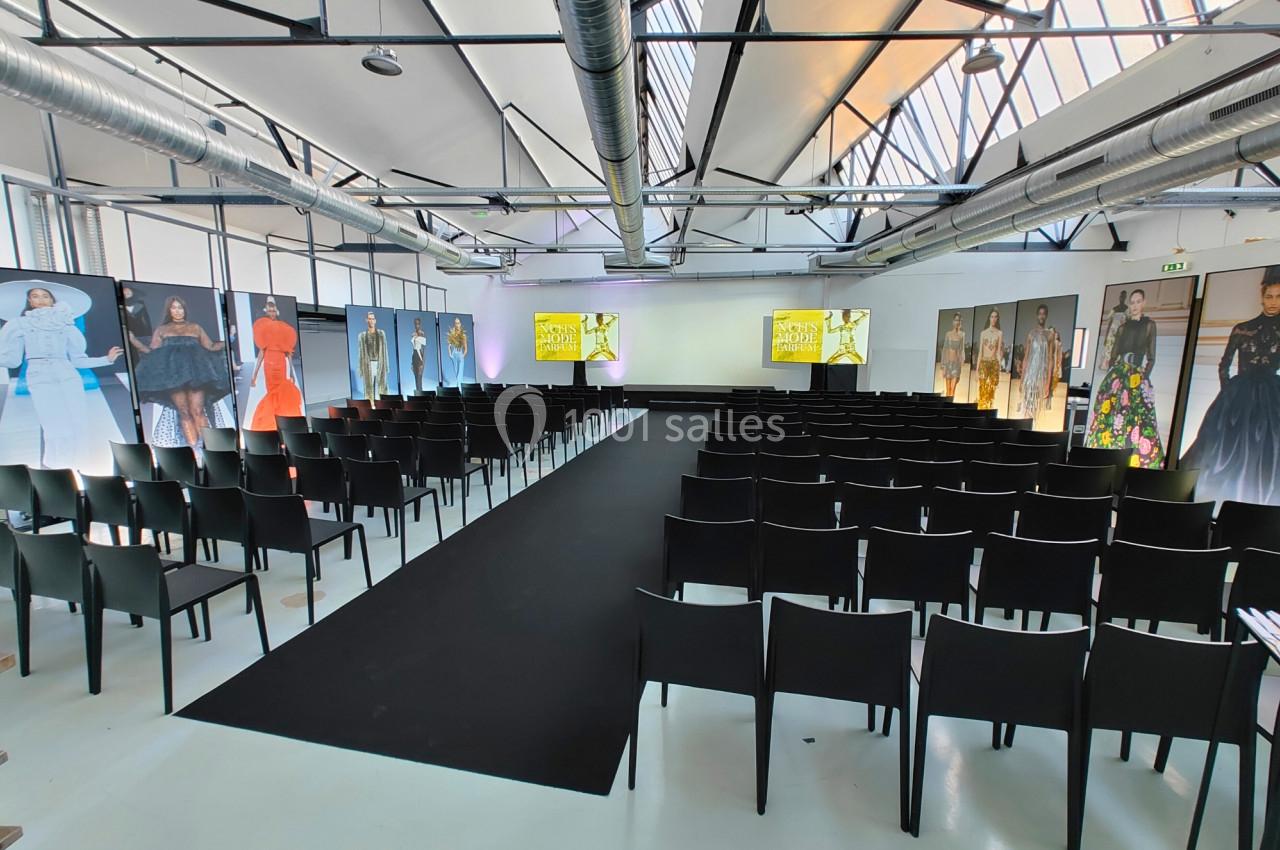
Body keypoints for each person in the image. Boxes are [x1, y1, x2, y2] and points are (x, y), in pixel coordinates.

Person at [0, 282, 124, 469]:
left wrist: (106, 360)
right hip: (39, 376)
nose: (41, 300)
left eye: (45, 296)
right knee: (52, 423)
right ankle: (57, 467)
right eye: (35, 296)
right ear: (29, 301)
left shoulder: (65, 324)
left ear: (53, 300)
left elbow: (78, 360)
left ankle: (81, 465)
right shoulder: (18, 324)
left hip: (67, 374)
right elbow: (13, 360)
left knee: (77, 421)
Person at [1182, 271, 1280, 505]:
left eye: (1278, 297)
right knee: (1220, 449)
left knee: (1269, 449)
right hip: (1239, 394)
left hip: (1271, 396)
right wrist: (1228, 393)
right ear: (1262, 297)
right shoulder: (1243, 328)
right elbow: (1224, 364)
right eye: (1269, 296)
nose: (1273, 301)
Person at [132, 294, 229, 448]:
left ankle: (210, 448)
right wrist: (134, 341)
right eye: (174, 308)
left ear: (184, 310)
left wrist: (229, 340)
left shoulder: (195, 327)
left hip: (197, 374)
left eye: (180, 307)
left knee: (198, 410)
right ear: (169, 310)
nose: (178, 311)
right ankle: (194, 450)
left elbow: (210, 346)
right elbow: (152, 352)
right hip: (173, 377)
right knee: (184, 411)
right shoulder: (162, 330)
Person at [1085, 289, 1163, 467]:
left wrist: (1144, 378)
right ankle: (1107, 452)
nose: (1135, 306)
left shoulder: (1149, 325)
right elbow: (1114, 355)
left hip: (1137, 375)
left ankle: (1132, 456)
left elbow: (1152, 357)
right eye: (1132, 302)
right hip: (1119, 373)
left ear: (1144, 303)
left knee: (1136, 416)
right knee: (1112, 413)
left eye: (1138, 301)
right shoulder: (1122, 327)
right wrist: (1113, 377)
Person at [248, 296, 303, 430]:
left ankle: (281, 422)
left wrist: (291, 371)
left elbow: (288, 352)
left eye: (273, 310)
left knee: (281, 391)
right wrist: (254, 375)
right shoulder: (262, 327)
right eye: (269, 310)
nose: (271, 313)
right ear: (266, 311)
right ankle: (272, 423)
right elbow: (261, 352)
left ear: (276, 311)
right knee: (272, 392)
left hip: (280, 362)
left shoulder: (284, 328)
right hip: (269, 363)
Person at [1019, 303, 1054, 421]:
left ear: (1046, 316)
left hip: (1041, 376)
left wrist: (1048, 383)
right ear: (1036, 315)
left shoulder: (1049, 335)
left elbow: (1050, 360)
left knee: (1036, 404)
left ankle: (1031, 424)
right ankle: (1027, 424)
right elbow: (1026, 358)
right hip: (1030, 376)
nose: (1041, 316)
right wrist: (1022, 379)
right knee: (1027, 403)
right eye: (1039, 314)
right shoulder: (1031, 334)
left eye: (1044, 314)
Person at [974, 308, 1005, 410]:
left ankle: (989, 412)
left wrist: (999, 368)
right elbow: (980, 352)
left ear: (998, 319)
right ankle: (981, 411)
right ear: (989, 318)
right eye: (992, 316)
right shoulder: (983, 333)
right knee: (982, 389)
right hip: (984, 363)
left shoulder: (999, 333)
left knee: (991, 391)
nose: (994, 319)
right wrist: (976, 370)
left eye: (996, 317)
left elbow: (998, 352)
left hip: (994, 364)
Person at [356, 311, 389, 402]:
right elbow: (360, 352)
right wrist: (360, 368)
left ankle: (382, 405)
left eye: (373, 319)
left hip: (380, 363)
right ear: (366, 320)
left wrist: (386, 366)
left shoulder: (381, 334)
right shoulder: (362, 336)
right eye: (369, 319)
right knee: (368, 387)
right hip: (368, 364)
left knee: (382, 386)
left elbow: (385, 350)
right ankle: (370, 406)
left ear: (375, 320)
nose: (371, 321)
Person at [940, 312, 966, 397]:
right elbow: (945, 349)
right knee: (948, 389)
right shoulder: (948, 334)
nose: (957, 322)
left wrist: (962, 359)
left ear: (960, 322)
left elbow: (962, 349)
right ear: (953, 321)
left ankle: (951, 403)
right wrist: (943, 366)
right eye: (955, 320)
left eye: (959, 320)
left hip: (956, 365)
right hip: (948, 364)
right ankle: (947, 405)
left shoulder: (962, 335)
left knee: (953, 389)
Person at [445, 316, 468, 387]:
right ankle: (457, 389)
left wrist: (462, 356)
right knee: (455, 373)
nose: (457, 324)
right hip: (454, 355)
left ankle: (459, 390)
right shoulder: (452, 335)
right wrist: (450, 354)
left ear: (460, 324)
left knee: (460, 374)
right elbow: (449, 346)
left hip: (460, 355)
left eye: (458, 323)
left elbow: (465, 349)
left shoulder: (463, 335)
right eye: (456, 323)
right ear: (454, 324)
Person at [410, 317, 428, 393]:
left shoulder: (422, 334)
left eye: (418, 324)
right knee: (416, 378)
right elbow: (413, 348)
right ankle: (417, 394)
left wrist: (422, 362)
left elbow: (424, 348)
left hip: (420, 356)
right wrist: (412, 362)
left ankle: (421, 394)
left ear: (420, 324)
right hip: (414, 356)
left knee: (419, 378)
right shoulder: (413, 334)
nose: (416, 325)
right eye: (415, 324)